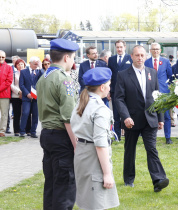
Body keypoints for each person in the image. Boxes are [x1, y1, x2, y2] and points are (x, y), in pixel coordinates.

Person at [114, 45, 169, 192]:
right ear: (131, 56)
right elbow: (118, 99)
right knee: (129, 150)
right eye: (137, 55)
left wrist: (161, 117)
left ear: (146, 56)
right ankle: (129, 179)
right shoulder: (123, 75)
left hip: (150, 119)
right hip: (131, 120)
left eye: (142, 55)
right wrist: (125, 117)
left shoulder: (153, 73)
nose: (140, 58)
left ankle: (158, 180)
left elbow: (158, 97)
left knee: (152, 149)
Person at [36, 38, 79, 209]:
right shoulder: (64, 80)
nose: (73, 61)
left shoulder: (43, 78)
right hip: (62, 137)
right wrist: (76, 145)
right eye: (74, 57)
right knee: (65, 187)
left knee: (52, 186)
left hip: (47, 133)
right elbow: (68, 117)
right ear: (67, 58)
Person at [71, 68, 119, 210]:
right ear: (102, 87)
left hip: (81, 153)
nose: (110, 88)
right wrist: (107, 174)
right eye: (109, 85)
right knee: (96, 203)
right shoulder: (100, 109)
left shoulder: (81, 103)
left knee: (86, 201)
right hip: (93, 157)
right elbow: (100, 145)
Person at [145, 43, 173, 144]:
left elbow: (170, 76)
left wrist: (166, 86)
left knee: (166, 116)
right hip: (150, 92)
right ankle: (152, 137)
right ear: (150, 50)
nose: (155, 51)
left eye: (157, 49)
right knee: (151, 115)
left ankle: (168, 137)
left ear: (160, 50)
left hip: (163, 92)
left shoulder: (165, 61)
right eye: (153, 49)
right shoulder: (146, 62)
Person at [108, 40, 132, 141]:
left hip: (128, 90)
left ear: (125, 47)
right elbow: (109, 75)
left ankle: (129, 135)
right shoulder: (111, 59)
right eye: (117, 47)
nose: (119, 49)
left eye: (121, 47)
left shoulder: (130, 58)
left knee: (127, 113)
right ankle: (117, 136)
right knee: (116, 114)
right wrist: (109, 90)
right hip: (115, 91)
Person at [19, 56, 43, 138]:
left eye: (37, 64)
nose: (36, 66)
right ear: (30, 63)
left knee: (35, 115)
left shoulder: (39, 71)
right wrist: (27, 93)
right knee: (25, 113)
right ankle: (22, 131)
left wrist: (40, 67)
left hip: (36, 97)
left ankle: (33, 131)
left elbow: (44, 77)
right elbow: (21, 85)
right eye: (35, 64)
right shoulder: (23, 72)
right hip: (27, 97)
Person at [10, 59, 32, 136]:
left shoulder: (28, 73)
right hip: (16, 96)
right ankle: (16, 130)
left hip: (26, 96)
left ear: (24, 65)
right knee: (17, 113)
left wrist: (25, 93)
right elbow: (11, 85)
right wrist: (19, 92)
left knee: (27, 113)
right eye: (18, 64)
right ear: (16, 66)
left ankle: (28, 130)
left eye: (22, 64)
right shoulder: (14, 74)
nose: (20, 66)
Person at [0, 50, 13, 137]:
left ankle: (2, 131)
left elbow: (8, 81)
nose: (1, 58)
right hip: (3, 92)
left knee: (4, 113)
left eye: (3, 57)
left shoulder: (8, 67)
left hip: (4, 94)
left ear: (5, 57)